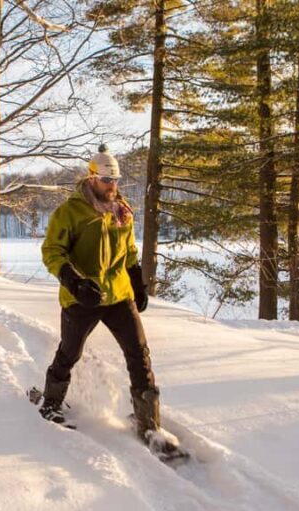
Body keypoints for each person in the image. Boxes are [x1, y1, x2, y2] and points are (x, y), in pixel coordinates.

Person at [40, 144, 178, 455]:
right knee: (70, 353)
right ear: (91, 178)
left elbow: (129, 251)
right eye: (106, 180)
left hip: (118, 295)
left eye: (115, 180)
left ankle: (149, 424)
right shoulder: (70, 212)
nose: (111, 185)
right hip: (83, 297)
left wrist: (137, 281)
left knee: (139, 354)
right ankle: (50, 403)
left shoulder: (122, 211)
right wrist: (74, 281)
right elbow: (52, 252)